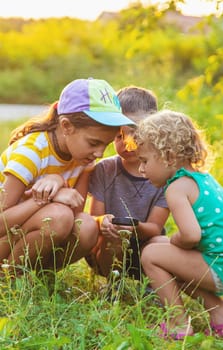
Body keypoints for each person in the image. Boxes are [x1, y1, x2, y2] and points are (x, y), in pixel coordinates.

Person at [0, 78, 135, 276]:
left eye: (104, 145)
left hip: (23, 237)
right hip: (5, 236)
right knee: (58, 217)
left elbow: (75, 213)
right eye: (93, 143)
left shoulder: (81, 157)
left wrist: (66, 180)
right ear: (66, 126)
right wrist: (49, 197)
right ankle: (9, 278)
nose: (99, 153)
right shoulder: (30, 153)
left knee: (86, 226)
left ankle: (39, 277)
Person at [135, 109, 223, 339]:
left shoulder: (176, 187)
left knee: (151, 255)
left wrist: (175, 240)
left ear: (169, 157)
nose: (141, 169)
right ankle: (219, 314)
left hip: (218, 267)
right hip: (217, 260)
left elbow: (191, 236)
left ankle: (178, 325)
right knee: (158, 242)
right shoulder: (203, 178)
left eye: (144, 161)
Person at [86, 86, 169, 281]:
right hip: (107, 247)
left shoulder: (163, 174)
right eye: (118, 136)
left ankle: (151, 286)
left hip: (144, 245)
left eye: (135, 134)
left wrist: (134, 228)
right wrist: (104, 222)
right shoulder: (105, 170)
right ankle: (112, 285)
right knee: (114, 241)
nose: (126, 143)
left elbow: (154, 228)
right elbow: (95, 217)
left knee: (162, 242)